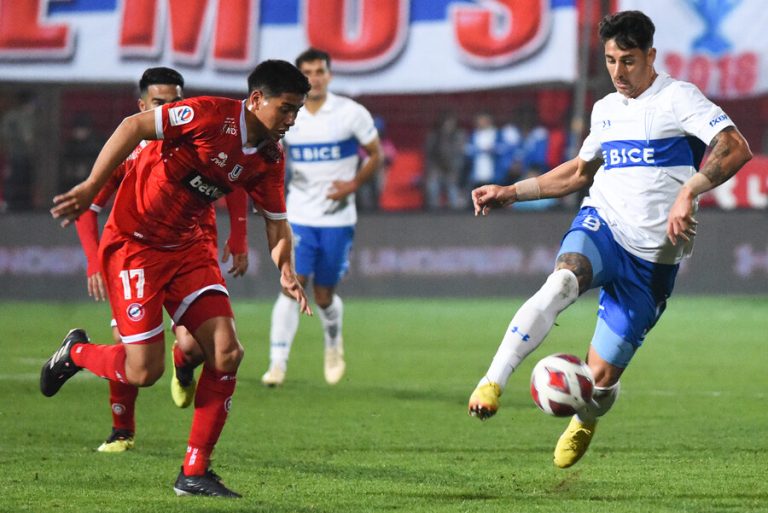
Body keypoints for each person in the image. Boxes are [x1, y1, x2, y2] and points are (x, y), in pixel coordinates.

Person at [467, 10, 752, 469]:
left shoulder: (678, 98)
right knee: (563, 281)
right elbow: (580, 173)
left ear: (651, 55)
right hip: (604, 224)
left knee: (598, 384)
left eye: (629, 61)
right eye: (610, 60)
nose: (619, 72)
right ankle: (491, 381)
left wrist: (689, 190)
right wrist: (512, 192)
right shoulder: (605, 110)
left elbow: (736, 146)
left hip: (652, 260)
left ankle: (585, 418)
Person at [42, 59, 312, 498]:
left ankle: (194, 472)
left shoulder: (268, 157)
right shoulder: (209, 114)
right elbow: (133, 126)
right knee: (142, 371)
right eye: (286, 108)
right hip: (135, 245)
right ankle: (76, 352)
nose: (291, 120)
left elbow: (277, 223)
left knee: (227, 352)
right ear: (257, 99)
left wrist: (286, 269)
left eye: (297, 111)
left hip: (188, 250)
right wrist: (92, 186)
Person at [73, 67, 249, 453]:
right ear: (143, 106)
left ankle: (184, 365)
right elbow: (88, 207)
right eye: (159, 103)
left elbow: (235, 178)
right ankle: (122, 429)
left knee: (202, 347)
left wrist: (238, 234)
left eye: (175, 102)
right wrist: (93, 261)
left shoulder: (202, 138)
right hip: (141, 254)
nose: (169, 108)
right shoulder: (132, 149)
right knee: (133, 352)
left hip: (193, 251)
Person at [261, 48, 381, 387]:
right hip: (298, 215)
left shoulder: (350, 113)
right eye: (308, 72)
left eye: (320, 71)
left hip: (338, 219)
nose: (315, 78)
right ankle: (277, 364)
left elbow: (376, 154)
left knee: (324, 295)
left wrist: (353, 184)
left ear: (329, 75)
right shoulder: (288, 114)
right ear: (299, 77)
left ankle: (332, 343)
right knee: (292, 285)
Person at [424, 110, 466, 210]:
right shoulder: (434, 137)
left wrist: (456, 171)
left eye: (450, 122)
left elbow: (460, 155)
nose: (448, 125)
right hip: (437, 170)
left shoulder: (459, 136)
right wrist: (431, 171)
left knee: (453, 193)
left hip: (452, 170)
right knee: (433, 189)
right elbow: (429, 156)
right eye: (445, 122)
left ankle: (455, 217)